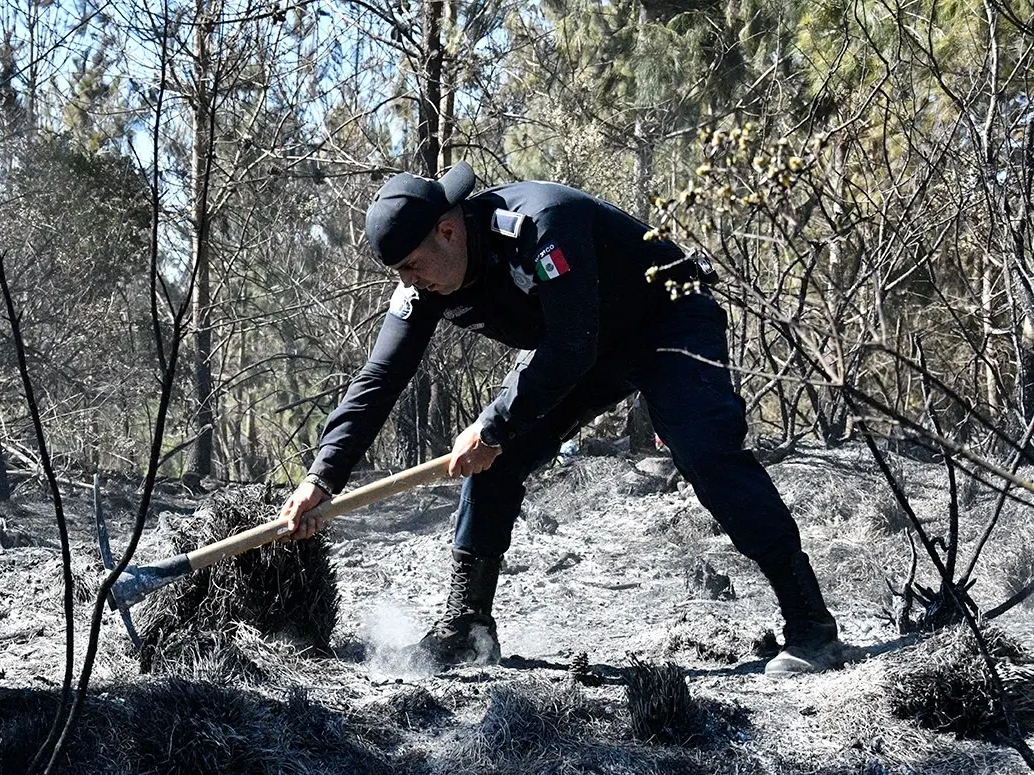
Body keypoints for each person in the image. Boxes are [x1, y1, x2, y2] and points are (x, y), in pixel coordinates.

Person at [278, 161, 843, 675]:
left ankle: (811, 626)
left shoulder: (541, 226)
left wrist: (495, 427)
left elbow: (571, 345)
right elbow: (379, 380)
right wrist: (321, 477)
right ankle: (467, 626)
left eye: (411, 266)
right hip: (578, 345)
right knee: (491, 464)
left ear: (447, 231)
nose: (408, 283)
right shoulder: (429, 282)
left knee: (704, 453)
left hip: (666, 319)